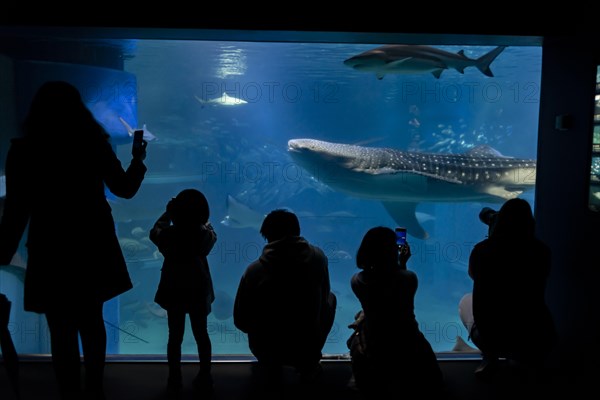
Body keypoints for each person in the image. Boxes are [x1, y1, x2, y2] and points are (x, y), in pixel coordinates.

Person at [0, 81, 148, 400]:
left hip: (50, 244)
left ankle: (68, 391)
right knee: (92, 320)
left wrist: (3, 250)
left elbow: (16, 209)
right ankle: (94, 386)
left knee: (60, 326)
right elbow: (124, 188)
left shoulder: (24, 150)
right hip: (91, 242)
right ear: (78, 109)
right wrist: (138, 159)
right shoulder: (93, 144)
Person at [233, 209, 337, 390]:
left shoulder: (254, 271)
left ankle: (272, 368)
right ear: (297, 230)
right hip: (307, 344)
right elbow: (325, 297)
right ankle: (308, 364)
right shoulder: (319, 258)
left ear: (266, 235)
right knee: (331, 298)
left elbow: (241, 321)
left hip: (267, 349)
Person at [466, 198, 556, 380]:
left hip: (494, 338)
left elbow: (473, 275)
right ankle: (530, 361)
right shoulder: (542, 251)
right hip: (538, 336)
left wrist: (492, 238)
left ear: (498, 222)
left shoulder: (482, 250)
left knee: (465, 302)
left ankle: (490, 358)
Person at [349, 226, 444, 397]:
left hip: (374, 343)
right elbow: (396, 295)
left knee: (362, 314)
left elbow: (380, 298)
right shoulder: (409, 278)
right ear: (393, 251)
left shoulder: (357, 281)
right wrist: (402, 263)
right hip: (408, 343)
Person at [149, 188, 217, 396]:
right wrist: (202, 223)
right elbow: (211, 233)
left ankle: (174, 377)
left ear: (175, 213)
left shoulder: (169, 235)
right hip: (198, 288)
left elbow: (155, 232)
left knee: (174, 335)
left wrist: (168, 213)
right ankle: (205, 374)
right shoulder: (203, 235)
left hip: (174, 289)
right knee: (201, 334)